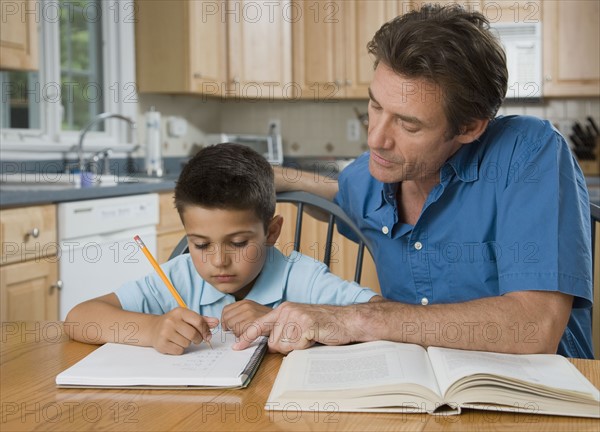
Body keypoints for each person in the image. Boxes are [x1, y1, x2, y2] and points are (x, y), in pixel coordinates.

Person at [234, 4, 594, 358]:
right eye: (374, 107)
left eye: (408, 125)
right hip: (421, 394)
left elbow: (535, 327)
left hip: (540, 396)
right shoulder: (368, 176)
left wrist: (361, 319)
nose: (376, 138)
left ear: (468, 127)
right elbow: (339, 196)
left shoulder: (528, 152)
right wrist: (271, 176)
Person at [64, 143, 380, 355]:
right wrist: (153, 329)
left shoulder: (302, 278)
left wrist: (278, 318)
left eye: (239, 243)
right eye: (200, 245)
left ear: (271, 232)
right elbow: (79, 317)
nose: (218, 261)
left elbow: (380, 315)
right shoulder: (179, 276)